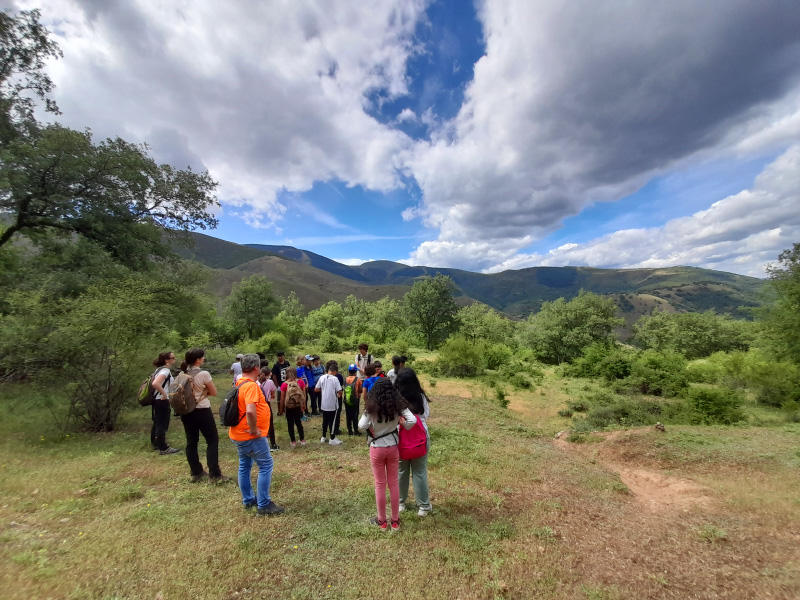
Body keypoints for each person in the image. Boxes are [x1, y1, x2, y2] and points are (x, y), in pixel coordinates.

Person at [228, 354, 284, 516]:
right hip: (250, 436)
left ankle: (248, 499)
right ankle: (264, 504)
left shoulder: (239, 382)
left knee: (244, 466)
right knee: (266, 465)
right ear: (256, 368)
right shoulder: (251, 386)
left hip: (238, 434)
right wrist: (253, 430)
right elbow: (251, 411)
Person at [359, 379, 417, 531]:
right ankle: (395, 521)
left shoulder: (371, 407)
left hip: (377, 447)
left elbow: (361, 425)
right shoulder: (398, 405)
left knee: (380, 484)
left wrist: (371, 428)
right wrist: (403, 424)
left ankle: (382, 521)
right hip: (393, 447)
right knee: (393, 483)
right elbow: (413, 420)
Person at [180, 348, 230, 483]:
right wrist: (204, 390)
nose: (204, 358)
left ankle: (196, 472)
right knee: (212, 440)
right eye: (202, 357)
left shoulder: (182, 373)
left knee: (191, 441)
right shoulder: (203, 374)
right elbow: (213, 392)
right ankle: (214, 474)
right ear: (197, 360)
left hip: (186, 411)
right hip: (202, 409)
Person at [394, 367, 432, 516]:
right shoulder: (420, 396)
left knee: (401, 471)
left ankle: (400, 503)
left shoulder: (396, 397)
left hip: (400, 438)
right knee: (420, 471)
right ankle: (423, 506)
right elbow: (426, 415)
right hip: (420, 438)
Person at [150, 351, 180, 455]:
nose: (174, 359)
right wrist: (164, 394)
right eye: (173, 357)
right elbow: (155, 383)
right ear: (167, 360)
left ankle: (156, 444)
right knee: (162, 424)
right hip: (162, 400)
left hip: (157, 399)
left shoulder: (158, 370)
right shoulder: (165, 371)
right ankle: (163, 448)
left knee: (157, 422)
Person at [315, 362, 342, 445]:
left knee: (325, 420)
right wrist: (338, 393)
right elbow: (339, 390)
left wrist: (324, 390)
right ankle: (332, 438)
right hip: (332, 403)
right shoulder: (335, 379)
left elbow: (316, 389)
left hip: (324, 403)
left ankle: (323, 436)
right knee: (332, 421)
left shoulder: (322, 377)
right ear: (334, 371)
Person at [279, 367, 306, 448]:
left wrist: (281, 409)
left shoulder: (284, 384)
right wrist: (303, 405)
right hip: (298, 406)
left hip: (289, 407)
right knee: (299, 422)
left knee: (290, 423)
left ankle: (293, 441)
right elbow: (304, 395)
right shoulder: (300, 382)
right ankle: (302, 440)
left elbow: (282, 398)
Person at [259, 366, 279, 451]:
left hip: (258, 404)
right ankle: (273, 444)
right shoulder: (270, 382)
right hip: (266, 404)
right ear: (269, 374)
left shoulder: (256, 382)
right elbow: (273, 393)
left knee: (260, 424)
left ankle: (261, 445)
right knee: (270, 424)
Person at [343, 364, 362, 436]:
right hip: (355, 399)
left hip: (347, 399)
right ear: (355, 371)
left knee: (348, 415)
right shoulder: (358, 379)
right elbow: (360, 389)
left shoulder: (346, 379)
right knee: (355, 415)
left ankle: (349, 430)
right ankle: (356, 430)